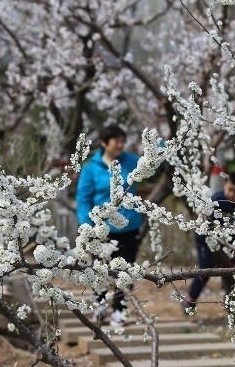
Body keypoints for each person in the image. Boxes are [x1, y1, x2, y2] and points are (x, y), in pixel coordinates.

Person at [76, 124, 144, 327]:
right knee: (99, 270)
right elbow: (83, 198)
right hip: (101, 229)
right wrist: (87, 226)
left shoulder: (132, 162)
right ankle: (99, 306)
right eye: (117, 141)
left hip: (128, 227)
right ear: (105, 143)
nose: (121, 145)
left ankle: (120, 311)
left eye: (123, 141)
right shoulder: (91, 168)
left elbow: (152, 164)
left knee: (125, 272)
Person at [183, 171, 235, 314]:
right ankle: (190, 299)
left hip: (229, 243)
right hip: (206, 239)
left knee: (233, 272)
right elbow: (208, 225)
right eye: (229, 189)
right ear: (225, 185)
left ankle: (233, 304)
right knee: (205, 269)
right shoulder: (217, 200)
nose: (231, 194)